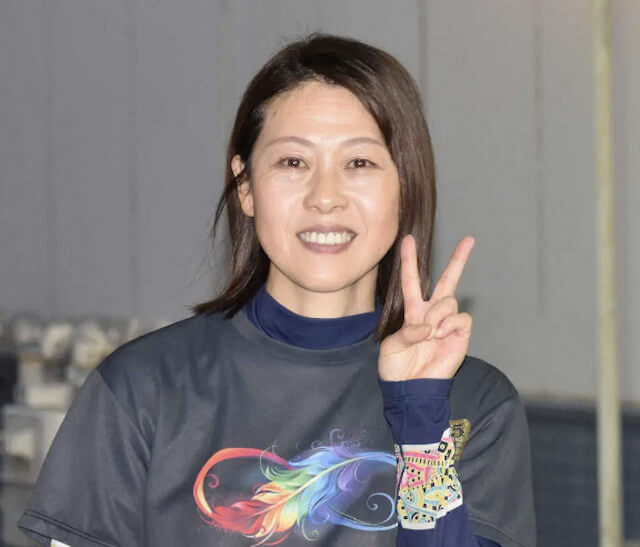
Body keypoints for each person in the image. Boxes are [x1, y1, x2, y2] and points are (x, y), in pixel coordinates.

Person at [18, 33, 536, 547]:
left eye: (359, 163)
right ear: (245, 186)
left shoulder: (474, 402)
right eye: (293, 162)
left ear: (406, 187)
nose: (325, 197)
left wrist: (420, 413)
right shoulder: (140, 388)